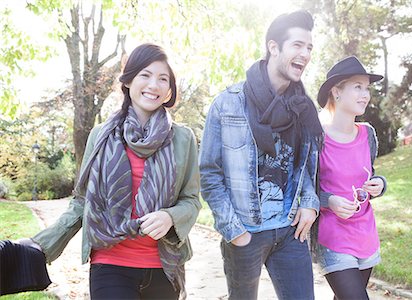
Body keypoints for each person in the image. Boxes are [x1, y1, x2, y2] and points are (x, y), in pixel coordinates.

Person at [17, 43, 201, 300]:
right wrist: (43, 244)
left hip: (163, 265)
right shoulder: (101, 136)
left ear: (170, 89)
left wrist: (171, 217)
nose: (154, 85)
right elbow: (82, 200)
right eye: (145, 75)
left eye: (163, 79)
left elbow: (191, 200)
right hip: (110, 263)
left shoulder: (183, 139)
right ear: (128, 81)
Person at [199, 10, 323, 300]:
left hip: (290, 231)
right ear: (273, 47)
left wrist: (309, 202)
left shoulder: (303, 107)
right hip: (245, 232)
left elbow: (304, 165)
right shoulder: (228, 104)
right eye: (297, 45)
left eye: (309, 48)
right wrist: (234, 229)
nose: (304, 54)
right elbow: (209, 172)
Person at [314, 56, 387, 300]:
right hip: (333, 237)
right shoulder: (317, 138)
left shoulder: (368, 134)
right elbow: (305, 189)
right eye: (357, 87)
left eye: (367, 88)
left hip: (365, 234)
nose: (365, 94)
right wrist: (330, 201)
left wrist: (380, 185)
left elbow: (370, 174)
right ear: (336, 91)